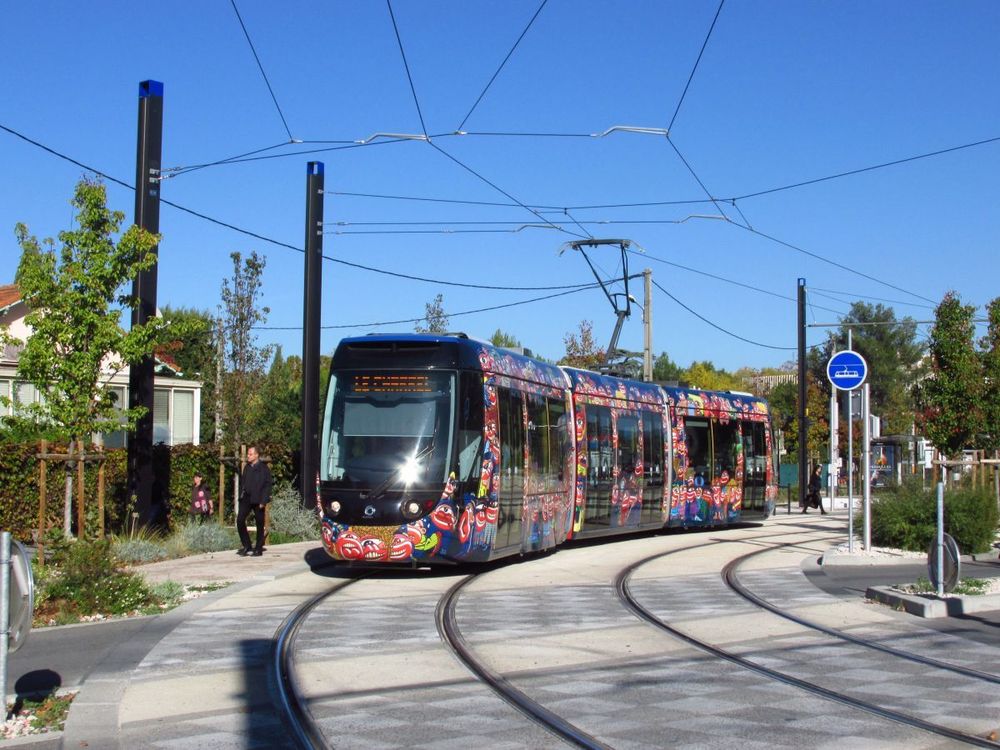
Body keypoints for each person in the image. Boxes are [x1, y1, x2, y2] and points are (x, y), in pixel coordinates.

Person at [237, 445, 273, 556]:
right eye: (248, 454)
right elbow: (243, 482)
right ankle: (247, 545)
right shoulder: (247, 467)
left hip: (258, 499)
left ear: (257, 455)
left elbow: (268, 485)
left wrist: (264, 501)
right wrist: (241, 496)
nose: (248, 456)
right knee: (240, 520)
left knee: (259, 523)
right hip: (246, 498)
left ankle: (258, 548)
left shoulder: (264, 468)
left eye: (250, 454)